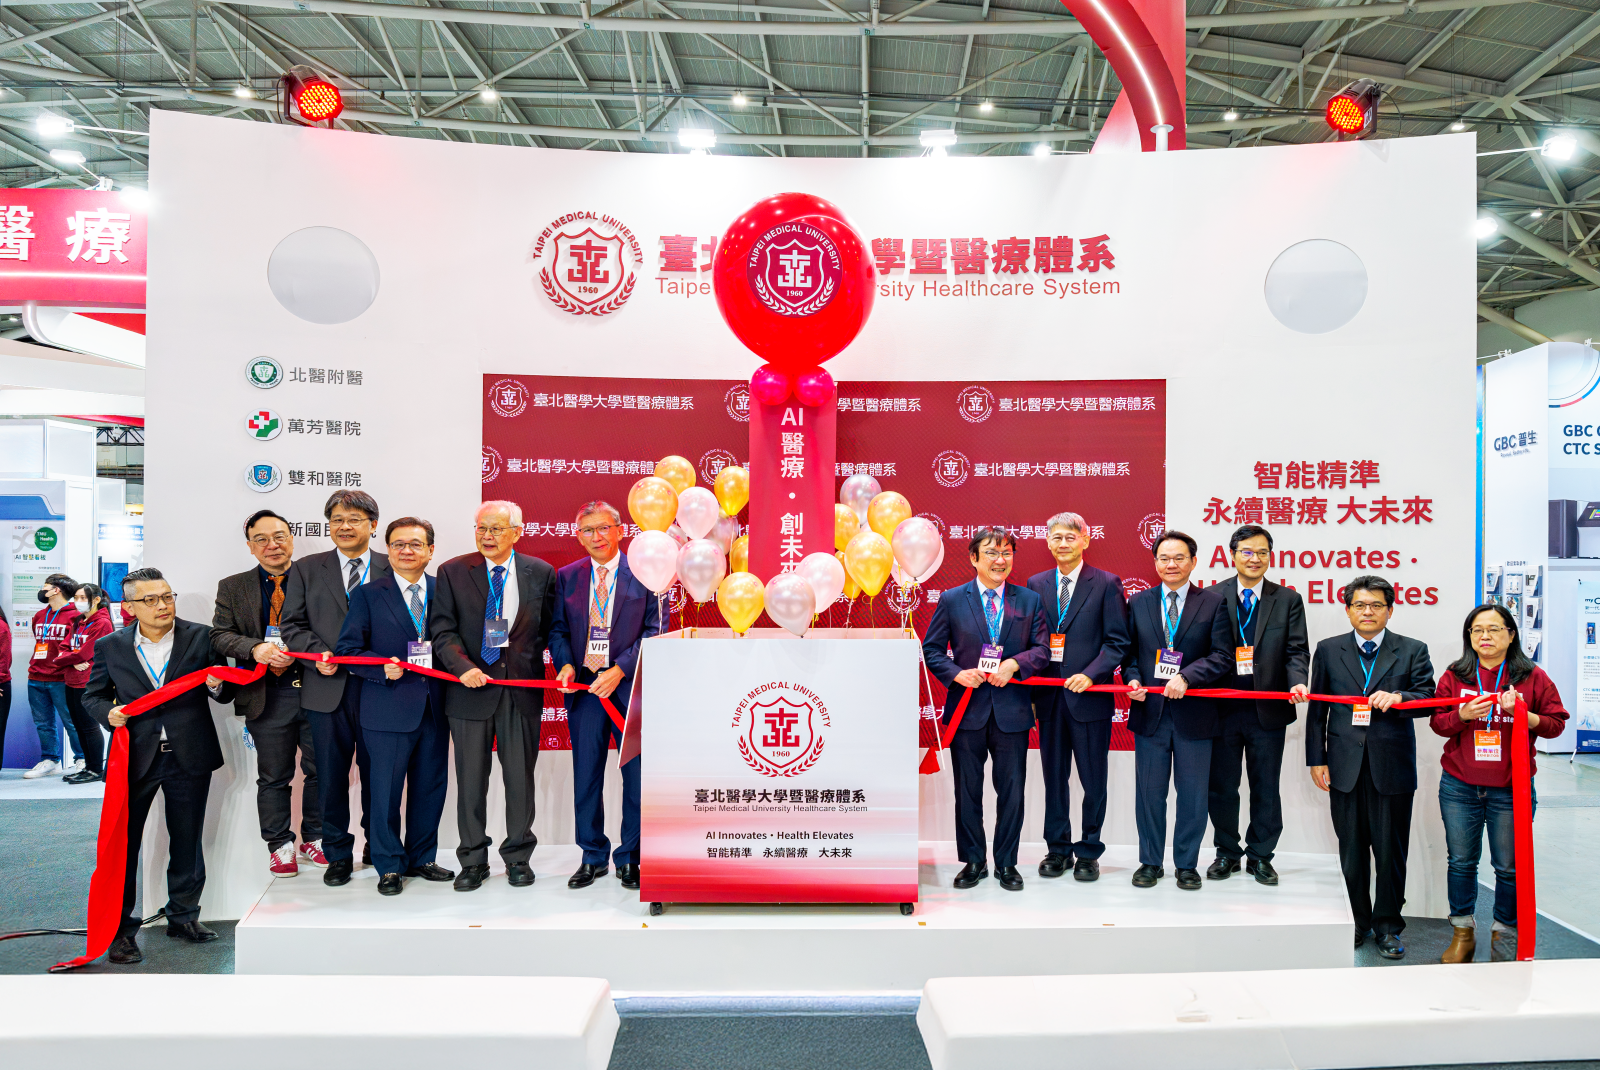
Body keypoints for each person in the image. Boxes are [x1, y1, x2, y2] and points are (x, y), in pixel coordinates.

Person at [83, 568, 231, 965]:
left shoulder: (201, 637)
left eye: (167, 596)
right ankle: (120, 931)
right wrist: (108, 713)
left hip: (189, 754)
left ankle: (183, 916)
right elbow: (93, 696)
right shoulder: (111, 646)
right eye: (150, 600)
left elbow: (225, 692)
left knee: (187, 839)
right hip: (134, 758)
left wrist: (217, 684)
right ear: (129, 607)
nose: (162, 605)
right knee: (124, 846)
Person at [1306, 576, 1436, 960]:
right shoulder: (1328, 650)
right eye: (1360, 605)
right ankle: (1357, 922)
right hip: (1343, 765)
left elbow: (1428, 698)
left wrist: (1399, 696)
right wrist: (1316, 758)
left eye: (1376, 605)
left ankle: (1388, 927)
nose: (1368, 612)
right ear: (1348, 610)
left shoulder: (1412, 649)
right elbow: (1317, 710)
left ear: (1390, 610)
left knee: (1390, 852)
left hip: (1391, 767)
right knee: (1351, 851)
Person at [1431, 603, 1568, 963]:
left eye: (1494, 629)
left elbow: (1556, 724)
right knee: (1461, 862)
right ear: (1469, 637)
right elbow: (1438, 723)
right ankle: (1462, 932)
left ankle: (1504, 934)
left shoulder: (1532, 677)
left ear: (1511, 635)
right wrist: (1461, 715)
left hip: (1511, 787)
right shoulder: (1456, 675)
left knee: (1508, 866)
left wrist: (1523, 713)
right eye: (1477, 630)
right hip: (1460, 786)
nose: (1485, 636)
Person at [433, 500, 556, 892]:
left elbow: (550, 630)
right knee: (470, 781)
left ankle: (518, 856)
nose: (487, 536)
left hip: (520, 692)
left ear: (517, 532)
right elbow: (442, 630)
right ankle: (472, 860)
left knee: (520, 779)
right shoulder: (453, 571)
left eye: (496, 529)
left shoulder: (541, 572)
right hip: (469, 689)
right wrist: (462, 667)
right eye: (481, 528)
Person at [922, 527, 1051, 892]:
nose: (1000, 560)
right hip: (967, 711)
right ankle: (973, 860)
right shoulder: (952, 599)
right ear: (974, 558)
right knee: (968, 791)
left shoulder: (1029, 600)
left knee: (1012, 792)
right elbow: (932, 650)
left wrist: (1014, 664)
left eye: (1007, 553)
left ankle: (1006, 863)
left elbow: (1042, 650)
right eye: (992, 553)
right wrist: (956, 674)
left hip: (1012, 712)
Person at [334, 518, 454, 895]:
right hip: (386, 707)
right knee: (384, 790)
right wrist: (380, 668)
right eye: (398, 544)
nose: (406, 550)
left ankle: (422, 857)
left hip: (436, 707)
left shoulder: (445, 591)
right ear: (387, 550)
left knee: (429, 787)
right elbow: (347, 650)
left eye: (415, 544)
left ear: (430, 551)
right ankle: (388, 864)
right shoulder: (369, 594)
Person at [281, 489, 390, 886]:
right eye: (337, 520)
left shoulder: (392, 565)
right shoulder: (307, 568)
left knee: (380, 775)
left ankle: (379, 848)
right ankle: (338, 853)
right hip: (325, 689)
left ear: (372, 525)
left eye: (354, 519)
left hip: (381, 689)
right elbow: (291, 624)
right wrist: (318, 655)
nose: (344, 527)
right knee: (329, 777)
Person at [550, 501, 660, 891]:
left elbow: (655, 631)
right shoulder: (567, 576)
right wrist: (565, 664)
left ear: (620, 530)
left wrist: (619, 670)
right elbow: (558, 630)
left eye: (603, 528)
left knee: (637, 776)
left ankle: (630, 857)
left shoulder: (646, 573)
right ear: (578, 536)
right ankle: (592, 855)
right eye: (587, 530)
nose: (596, 537)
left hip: (630, 690)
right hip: (585, 690)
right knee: (587, 775)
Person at [212, 510, 324, 877]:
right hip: (268, 694)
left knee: (321, 770)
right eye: (261, 539)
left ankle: (316, 838)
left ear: (292, 539)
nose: (271, 545)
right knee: (274, 776)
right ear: (250, 546)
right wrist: (255, 648)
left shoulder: (318, 579)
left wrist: (307, 651)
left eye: (279, 536)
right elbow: (220, 635)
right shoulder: (233, 586)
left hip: (317, 690)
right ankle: (279, 845)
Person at [1122, 531, 1233, 891]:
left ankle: (1187, 864)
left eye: (1179, 558)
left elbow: (1222, 656)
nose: (1171, 564)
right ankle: (1150, 862)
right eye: (1164, 558)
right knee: (1149, 794)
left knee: (1193, 795)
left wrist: (1187, 676)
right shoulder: (1138, 602)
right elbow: (1128, 653)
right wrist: (1132, 679)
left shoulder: (1213, 603)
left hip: (1195, 715)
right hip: (1150, 714)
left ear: (1193, 562)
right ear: (1155, 562)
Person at [1024, 511, 1130, 881]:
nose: (1064, 543)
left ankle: (1088, 851)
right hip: (1049, 699)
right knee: (1054, 779)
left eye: (1071, 537)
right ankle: (1057, 849)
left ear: (1085, 540)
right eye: (1057, 537)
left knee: (1093, 780)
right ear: (1047, 542)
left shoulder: (1106, 583)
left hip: (1089, 699)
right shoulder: (1035, 584)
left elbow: (1117, 642)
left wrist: (1090, 674)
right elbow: (1031, 641)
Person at [1207, 524, 1309, 886]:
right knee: (1222, 786)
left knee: (1265, 786)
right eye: (1247, 552)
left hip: (1267, 709)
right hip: (1222, 708)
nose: (1255, 559)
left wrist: (1298, 680)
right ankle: (1226, 852)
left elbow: (1296, 650)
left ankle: (1261, 855)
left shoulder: (1287, 599)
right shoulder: (1211, 596)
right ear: (1232, 555)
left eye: (1262, 552)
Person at [24, 573, 84, 779]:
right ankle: (51, 760)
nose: (42, 590)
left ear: (56, 590)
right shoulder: (40, 616)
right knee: (43, 723)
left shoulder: (76, 615)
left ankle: (82, 759)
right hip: (36, 676)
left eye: (45, 586)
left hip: (62, 678)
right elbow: (39, 640)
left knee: (71, 721)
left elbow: (78, 645)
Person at [57, 584, 115, 785]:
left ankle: (96, 769)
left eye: (83, 597)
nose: (78, 601)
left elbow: (86, 653)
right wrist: (70, 660)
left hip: (88, 681)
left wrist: (67, 658)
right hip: (72, 679)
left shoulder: (102, 623)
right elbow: (63, 647)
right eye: (76, 597)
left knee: (89, 726)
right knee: (79, 726)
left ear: (96, 600)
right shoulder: (78, 621)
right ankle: (88, 767)